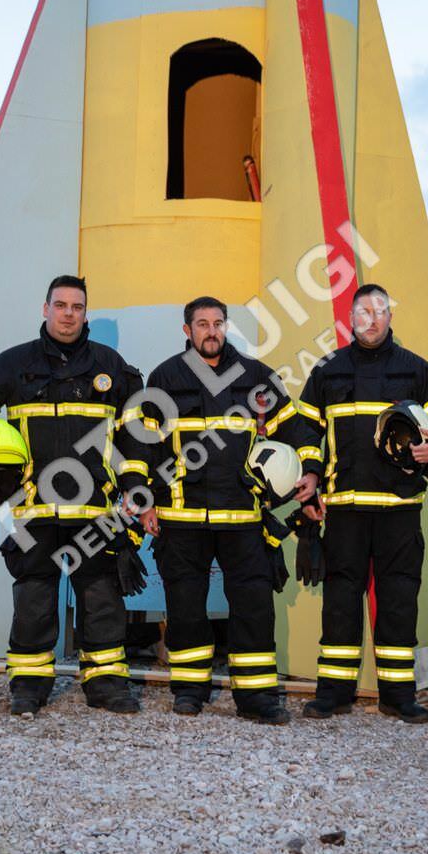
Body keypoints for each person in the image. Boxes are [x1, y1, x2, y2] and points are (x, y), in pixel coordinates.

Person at [0, 275, 149, 716]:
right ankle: (29, 686)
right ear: (45, 308)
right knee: (33, 598)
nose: (68, 314)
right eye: (61, 305)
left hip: (96, 508)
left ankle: (107, 684)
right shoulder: (14, 364)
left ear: (86, 313)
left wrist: (136, 486)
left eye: (77, 306)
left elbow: (136, 437)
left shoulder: (112, 366)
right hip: (31, 509)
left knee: (101, 596)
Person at [138, 296, 316, 724]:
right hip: (182, 518)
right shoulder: (164, 377)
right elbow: (144, 447)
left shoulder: (257, 377)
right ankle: (189, 690)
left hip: (243, 518)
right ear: (187, 331)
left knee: (254, 607)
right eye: (202, 324)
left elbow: (295, 428)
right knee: (185, 607)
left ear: (226, 327)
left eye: (218, 323)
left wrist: (310, 471)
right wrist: (143, 500)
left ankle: (257, 698)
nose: (211, 331)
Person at [294, 284, 428, 723]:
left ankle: (398, 695)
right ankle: (334, 693)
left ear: (390, 317)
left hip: (399, 509)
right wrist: (311, 473)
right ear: (350, 319)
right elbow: (305, 430)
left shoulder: (417, 370)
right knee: (340, 600)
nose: (371, 318)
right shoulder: (328, 370)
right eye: (363, 311)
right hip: (344, 509)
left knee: (399, 599)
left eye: (380, 310)